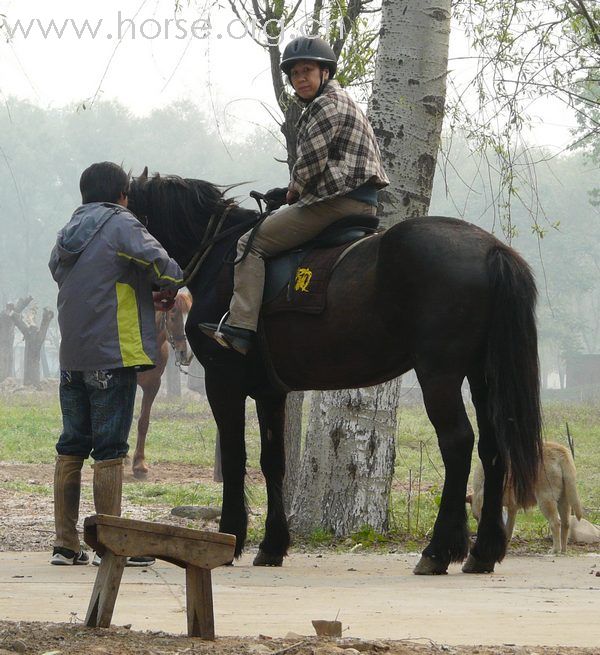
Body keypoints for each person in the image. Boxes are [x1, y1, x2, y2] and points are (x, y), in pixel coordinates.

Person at [199, 36, 389, 354]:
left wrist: (292, 190)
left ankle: (241, 328)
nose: (300, 78)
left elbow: (311, 162)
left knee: (250, 244)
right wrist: (292, 191)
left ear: (324, 73)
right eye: (295, 74)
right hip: (356, 200)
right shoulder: (342, 100)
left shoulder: (325, 105)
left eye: (307, 70)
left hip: (337, 204)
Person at [48, 161, 183, 566]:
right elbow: (167, 267)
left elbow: (58, 271)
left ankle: (64, 544)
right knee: (109, 448)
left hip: (72, 355)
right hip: (114, 353)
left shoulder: (67, 232)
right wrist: (161, 289)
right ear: (122, 195)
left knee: (72, 444)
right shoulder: (121, 223)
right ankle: (111, 543)